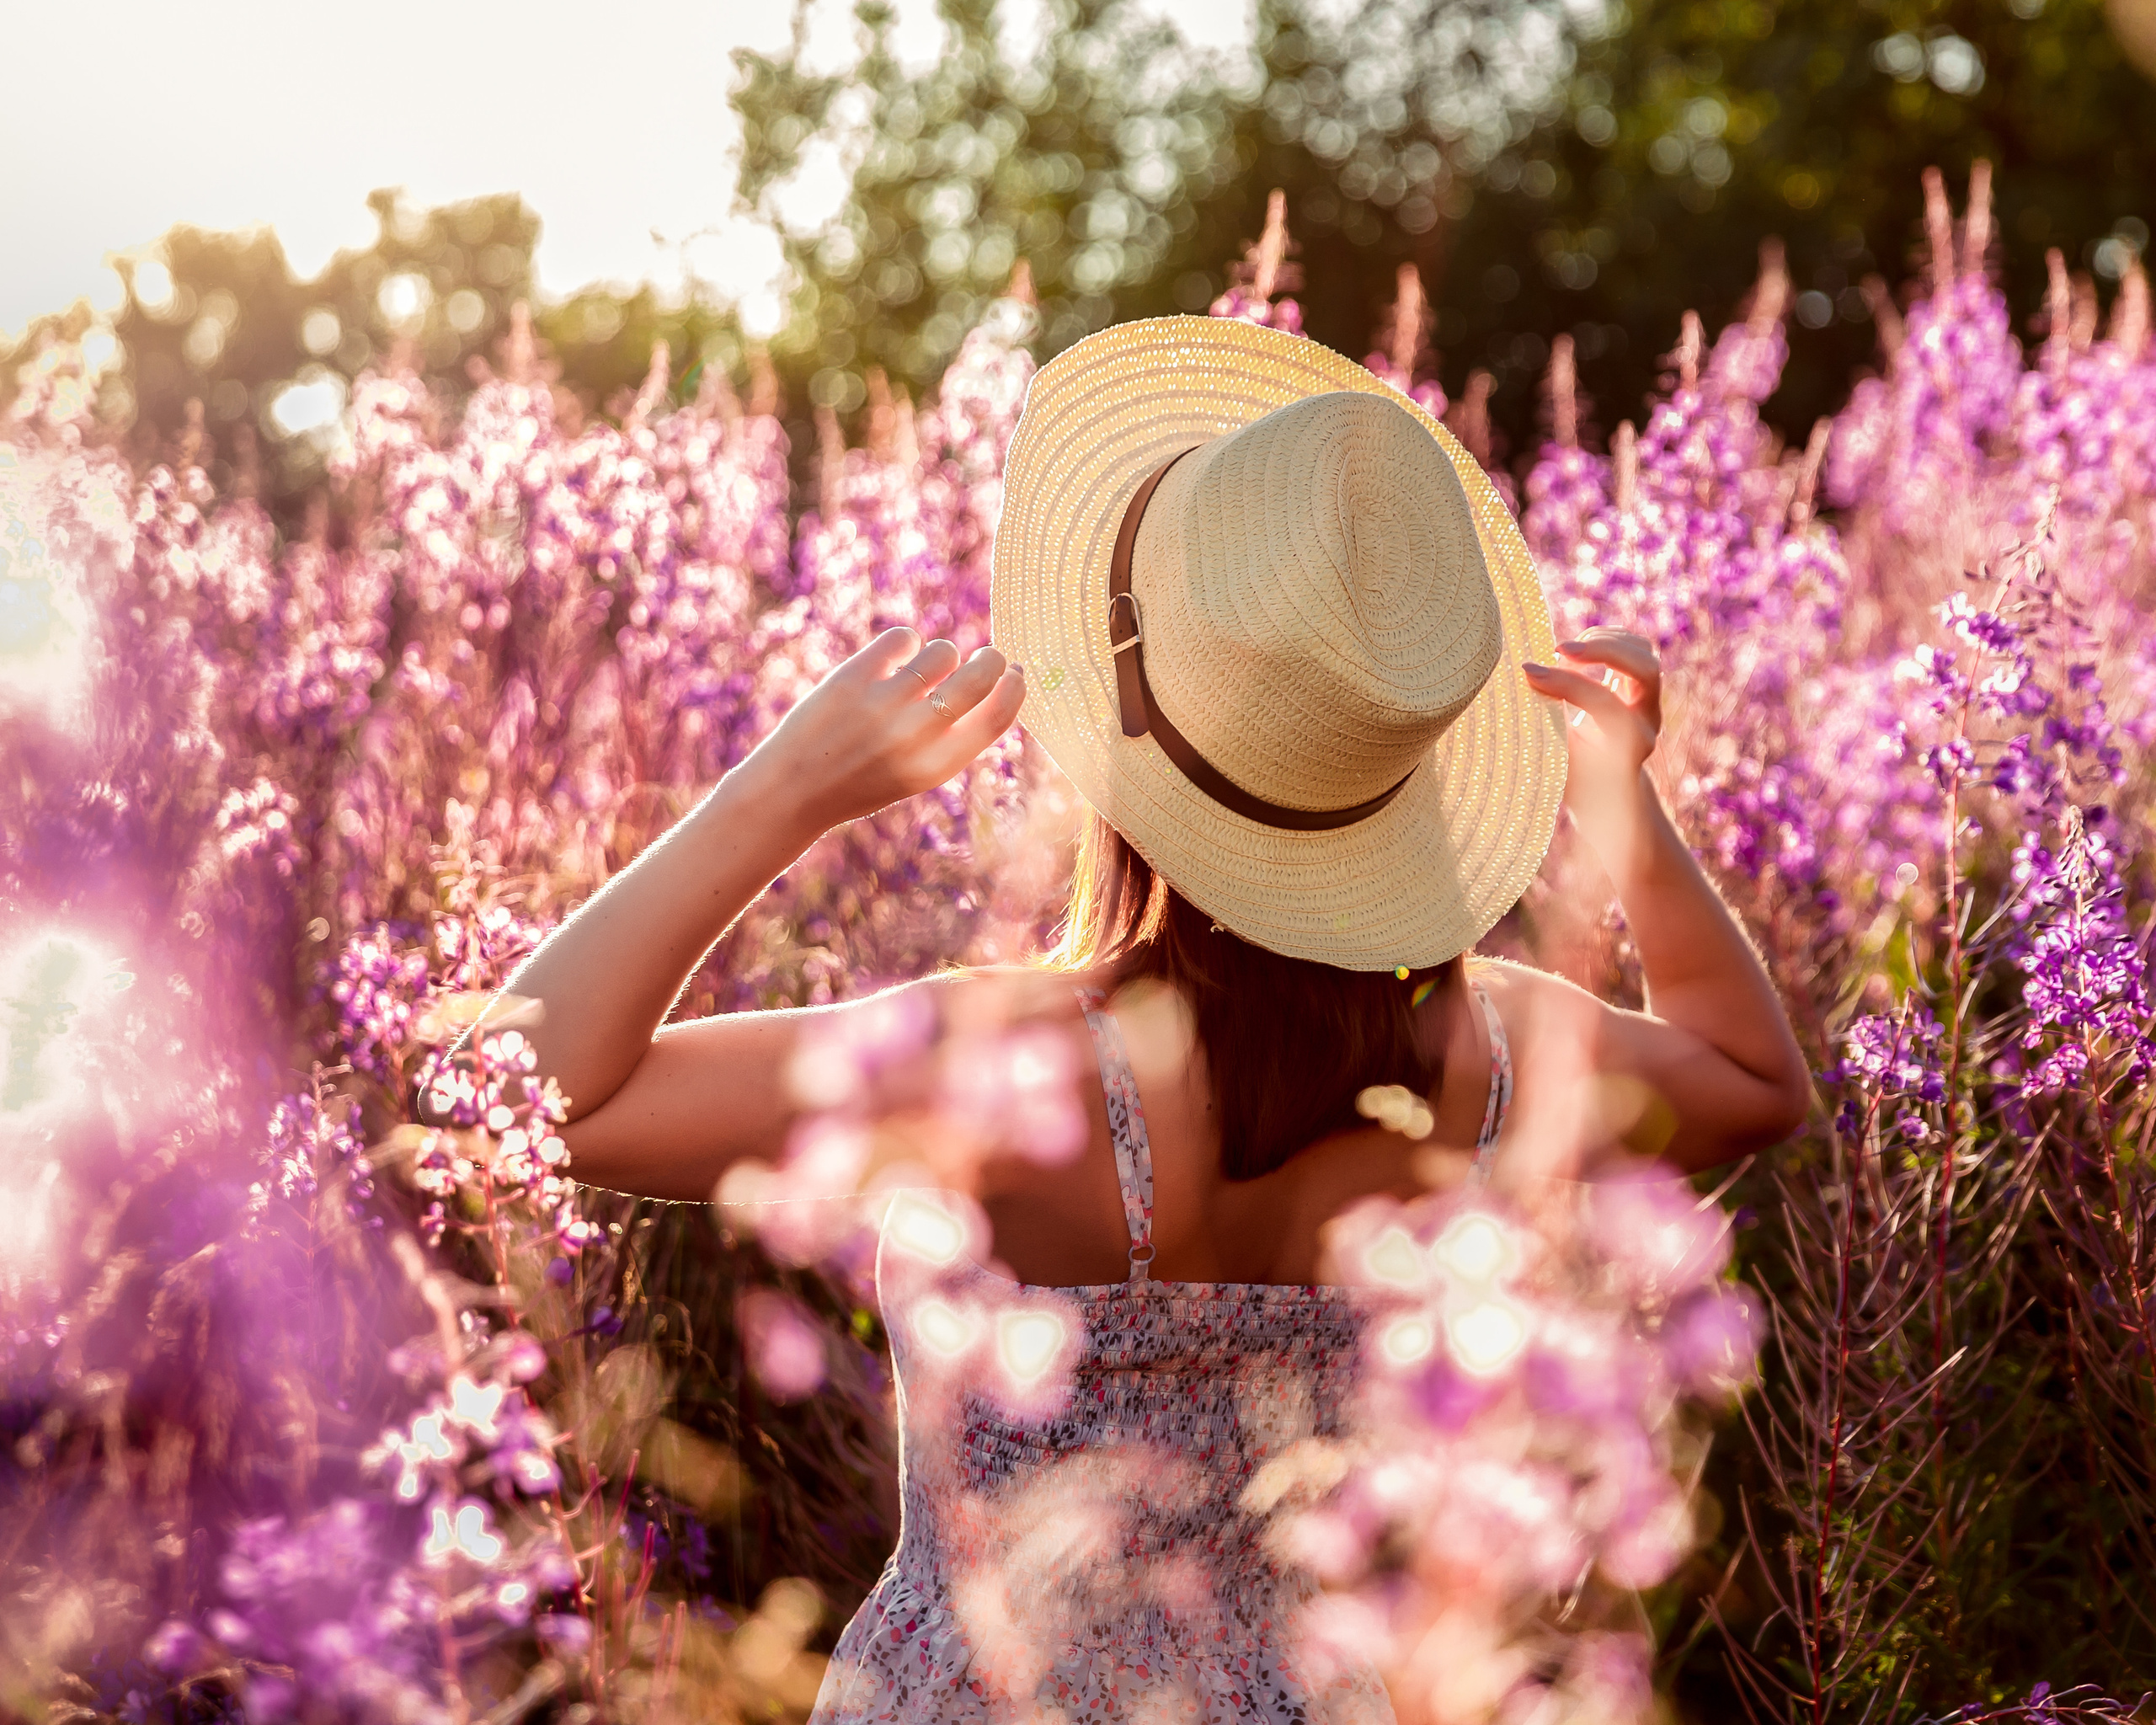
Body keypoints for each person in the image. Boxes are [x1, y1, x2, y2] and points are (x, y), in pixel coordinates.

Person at [456, 317, 1811, 1722]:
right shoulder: (1495, 1062)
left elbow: (518, 1091)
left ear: (1120, 717)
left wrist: (783, 790)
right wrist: (1614, 797)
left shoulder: (1002, 1069)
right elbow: (1750, 1078)